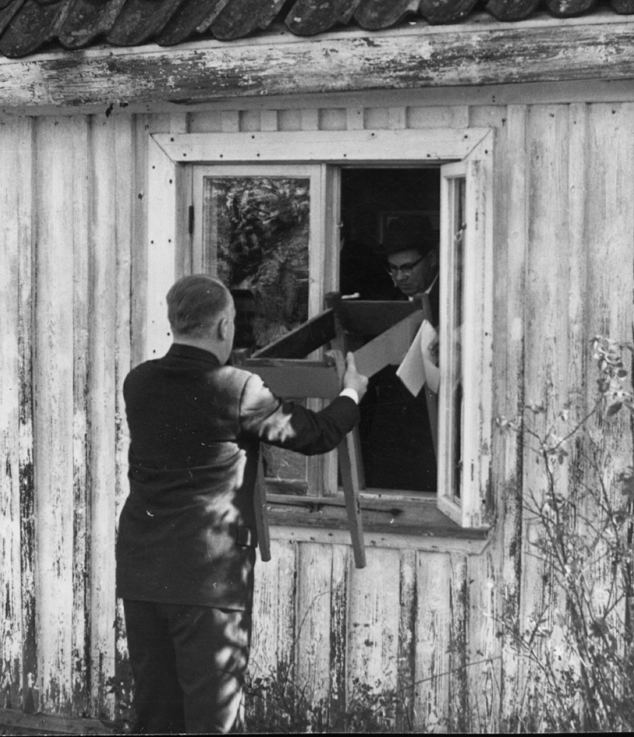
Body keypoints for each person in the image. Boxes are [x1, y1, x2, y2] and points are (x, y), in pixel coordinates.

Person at [117, 274, 368, 733]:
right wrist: (351, 392)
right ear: (223, 326)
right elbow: (316, 434)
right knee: (214, 720)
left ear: (175, 322)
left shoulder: (139, 382)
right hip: (208, 580)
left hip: (143, 572)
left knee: (155, 718)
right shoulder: (238, 389)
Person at [359, 216, 440, 491]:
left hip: (439, 433)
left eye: (407, 267)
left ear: (432, 258)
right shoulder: (384, 301)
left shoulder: (456, 297)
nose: (400, 277)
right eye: (393, 269)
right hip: (393, 435)